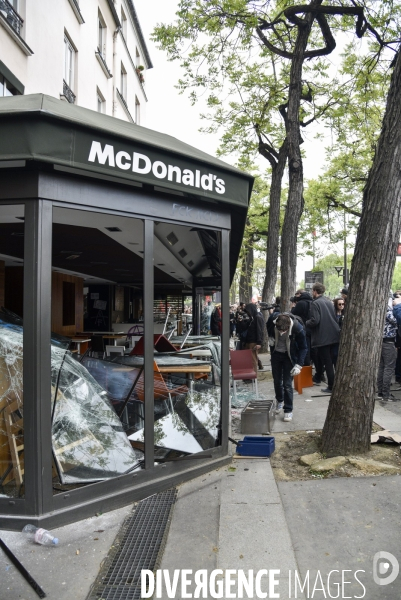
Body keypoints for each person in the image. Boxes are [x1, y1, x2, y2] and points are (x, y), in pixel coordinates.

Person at [270, 313, 307, 422]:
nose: (281, 333)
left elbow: (304, 348)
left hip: (289, 357)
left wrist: (299, 365)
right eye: (279, 330)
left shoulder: (298, 329)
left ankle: (288, 410)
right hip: (276, 354)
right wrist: (271, 340)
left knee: (287, 384)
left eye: (284, 331)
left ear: (289, 326)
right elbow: (268, 330)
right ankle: (279, 401)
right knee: (277, 381)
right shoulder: (272, 322)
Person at [306, 282, 340, 394]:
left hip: (323, 336)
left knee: (327, 362)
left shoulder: (315, 303)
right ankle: (334, 383)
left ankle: (331, 385)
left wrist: (306, 323)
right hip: (334, 334)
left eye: (312, 291)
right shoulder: (328, 302)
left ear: (315, 291)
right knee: (332, 361)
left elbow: (315, 320)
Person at [377, 295, 398, 401]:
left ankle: (380, 392)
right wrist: (398, 305)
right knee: (388, 368)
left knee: (381, 367)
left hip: (380, 341)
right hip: (388, 342)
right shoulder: (388, 309)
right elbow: (395, 320)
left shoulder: (378, 308)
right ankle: (386, 394)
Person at [291, 289, 312, 365]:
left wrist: (293, 307)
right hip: (312, 329)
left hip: (302, 329)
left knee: (304, 348)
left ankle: (303, 367)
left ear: (300, 294)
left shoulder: (301, 303)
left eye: (296, 294)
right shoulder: (312, 302)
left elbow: (293, 315)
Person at [243, 302, 265, 374]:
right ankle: (249, 375)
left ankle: (253, 376)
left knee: (253, 360)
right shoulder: (252, 318)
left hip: (254, 341)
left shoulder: (257, 317)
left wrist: (259, 342)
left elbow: (259, 331)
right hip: (249, 341)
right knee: (249, 359)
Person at [331, 297, 345, 368]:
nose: (341, 306)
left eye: (343, 304)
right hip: (334, 338)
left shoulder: (345, 314)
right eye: (339, 304)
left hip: (342, 338)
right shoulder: (333, 315)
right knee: (335, 355)